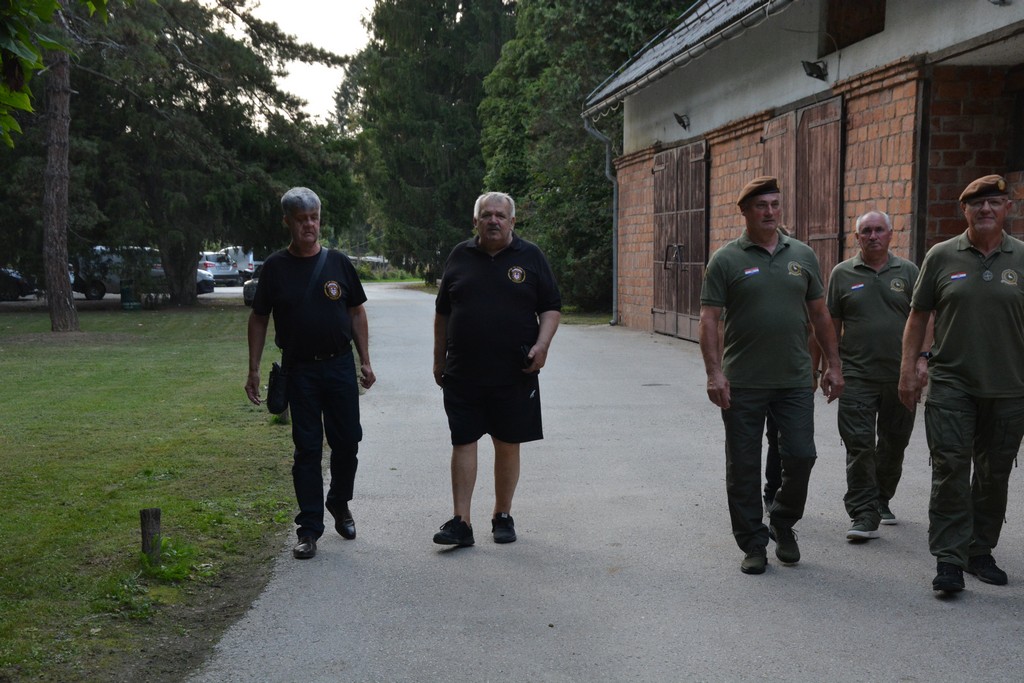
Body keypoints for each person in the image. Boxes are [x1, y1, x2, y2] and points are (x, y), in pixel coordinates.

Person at [698, 176, 843, 575]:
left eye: (775, 204)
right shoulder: (726, 259)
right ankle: (753, 542)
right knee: (743, 465)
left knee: (801, 455)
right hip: (743, 382)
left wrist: (833, 364)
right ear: (745, 211)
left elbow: (820, 314)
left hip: (794, 379)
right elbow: (709, 319)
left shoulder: (803, 255)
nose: (769, 212)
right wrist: (714, 373)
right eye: (761, 205)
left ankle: (781, 519)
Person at [899, 174, 1024, 594]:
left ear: (1008, 208)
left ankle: (979, 550)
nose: (985, 209)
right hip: (952, 383)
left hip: (1009, 387)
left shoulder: (1022, 257)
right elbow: (918, 316)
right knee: (950, 469)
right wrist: (908, 369)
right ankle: (949, 559)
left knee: (994, 474)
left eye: (994, 202)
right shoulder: (941, 256)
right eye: (977, 203)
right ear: (964, 210)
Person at [245, 187, 376, 560]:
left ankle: (339, 501)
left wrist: (365, 360)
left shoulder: (338, 263)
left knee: (347, 441)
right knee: (307, 449)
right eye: (301, 219)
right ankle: (309, 529)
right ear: (287, 221)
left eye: (314, 218)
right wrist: (253, 369)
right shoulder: (275, 268)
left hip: (339, 366)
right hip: (300, 370)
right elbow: (259, 318)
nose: (309, 225)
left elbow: (356, 312)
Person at [432, 191, 561, 547]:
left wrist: (543, 345)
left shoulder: (531, 256)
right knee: (463, 441)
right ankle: (461, 522)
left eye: (500, 216)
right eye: (486, 215)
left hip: (514, 372)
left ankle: (502, 515)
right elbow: (443, 313)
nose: (493, 220)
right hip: (463, 372)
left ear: (512, 221)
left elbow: (551, 307)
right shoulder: (459, 256)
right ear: (475, 221)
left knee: (507, 442)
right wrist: (439, 359)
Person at [828, 210, 924, 542]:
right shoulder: (842, 274)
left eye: (879, 230)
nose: (873, 236)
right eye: (866, 231)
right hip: (857, 376)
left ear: (890, 234)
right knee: (859, 445)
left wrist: (922, 360)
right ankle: (863, 512)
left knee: (894, 444)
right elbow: (831, 324)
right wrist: (831, 366)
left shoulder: (909, 272)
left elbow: (925, 318)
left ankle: (881, 498)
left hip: (901, 377)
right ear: (857, 237)